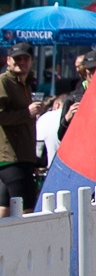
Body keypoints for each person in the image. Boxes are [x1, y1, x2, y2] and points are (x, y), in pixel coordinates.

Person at [0, 43, 53, 209]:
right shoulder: (4, 82)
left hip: (21, 156)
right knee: (27, 210)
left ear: (31, 61)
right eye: (17, 58)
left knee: (5, 209)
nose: (21, 62)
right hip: (12, 158)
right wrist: (27, 113)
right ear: (8, 60)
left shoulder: (25, 84)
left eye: (25, 58)